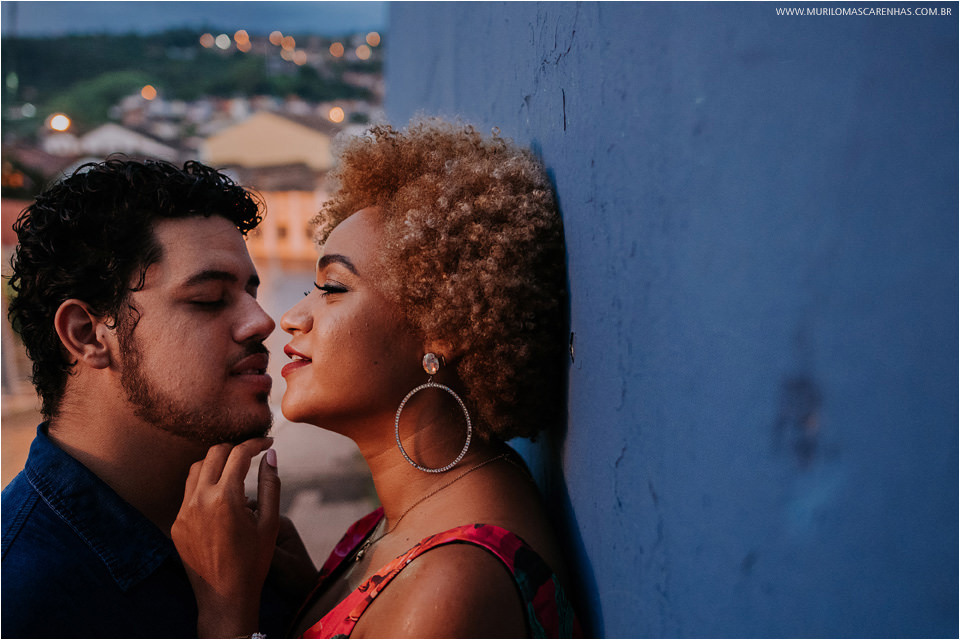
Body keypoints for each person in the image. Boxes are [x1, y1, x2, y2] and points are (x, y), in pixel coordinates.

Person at [172, 119, 581, 637]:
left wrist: (224, 606)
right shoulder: (424, 508)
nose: (291, 318)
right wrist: (314, 597)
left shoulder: (449, 585)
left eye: (333, 288)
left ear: (443, 327)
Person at [1, 159, 303, 638]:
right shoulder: (22, 597)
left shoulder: (246, 539)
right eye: (208, 299)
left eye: (251, 292)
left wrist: (314, 599)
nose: (263, 321)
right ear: (87, 334)